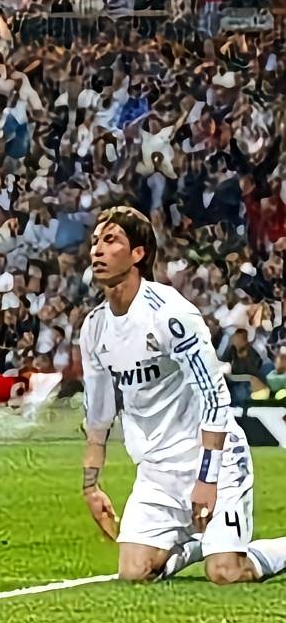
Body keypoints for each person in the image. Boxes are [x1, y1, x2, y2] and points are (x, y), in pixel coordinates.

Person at [79, 206, 286, 585]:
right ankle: (200, 543)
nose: (97, 250)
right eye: (95, 242)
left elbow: (214, 397)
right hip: (157, 471)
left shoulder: (170, 314)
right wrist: (91, 486)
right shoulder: (94, 328)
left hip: (213, 458)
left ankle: (239, 548)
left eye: (110, 240)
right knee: (133, 572)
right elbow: (98, 416)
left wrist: (207, 479)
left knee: (226, 573)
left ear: (138, 254)